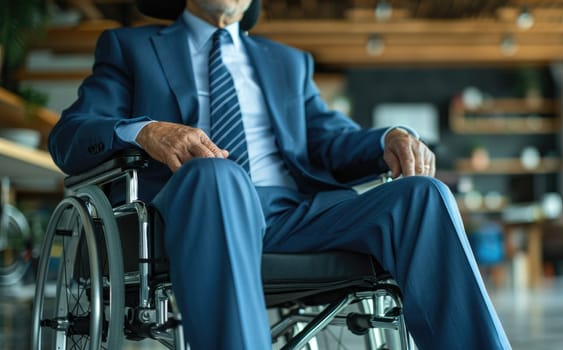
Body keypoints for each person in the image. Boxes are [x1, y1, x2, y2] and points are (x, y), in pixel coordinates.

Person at [48, 0, 511, 348]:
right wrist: (146, 130)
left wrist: (389, 137)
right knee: (218, 175)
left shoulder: (288, 62)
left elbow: (332, 141)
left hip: (299, 215)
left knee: (423, 194)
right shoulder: (130, 48)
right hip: (198, 211)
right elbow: (69, 137)